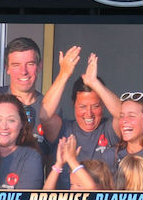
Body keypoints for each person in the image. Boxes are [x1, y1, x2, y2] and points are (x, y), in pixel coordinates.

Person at [39, 49, 121, 187]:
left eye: (95, 106)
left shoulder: (109, 129)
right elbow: (44, 115)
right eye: (82, 106)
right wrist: (64, 74)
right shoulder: (63, 129)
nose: (89, 114)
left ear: (103, 105)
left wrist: (94, 83)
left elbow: (122, 115)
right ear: (73, 105)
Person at [0, 36, 55, 155]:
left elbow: (53, 156)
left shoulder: (49, 106)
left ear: (39, 66)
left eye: (30, 64)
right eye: (16, 65)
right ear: (7, 68)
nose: (23, 71)